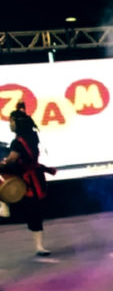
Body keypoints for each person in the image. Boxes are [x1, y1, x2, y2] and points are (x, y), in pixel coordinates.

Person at [0, 102, 56, 256]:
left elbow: (12, 159)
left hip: (27, 178)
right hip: (35, 176)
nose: (9, 125)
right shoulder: (32, 135)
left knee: (33, 212)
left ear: (16, 123)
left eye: (11, 121)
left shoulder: (18, 142)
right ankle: (39, 246)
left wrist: (4, 162)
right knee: (34, 212)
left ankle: (3, 205)